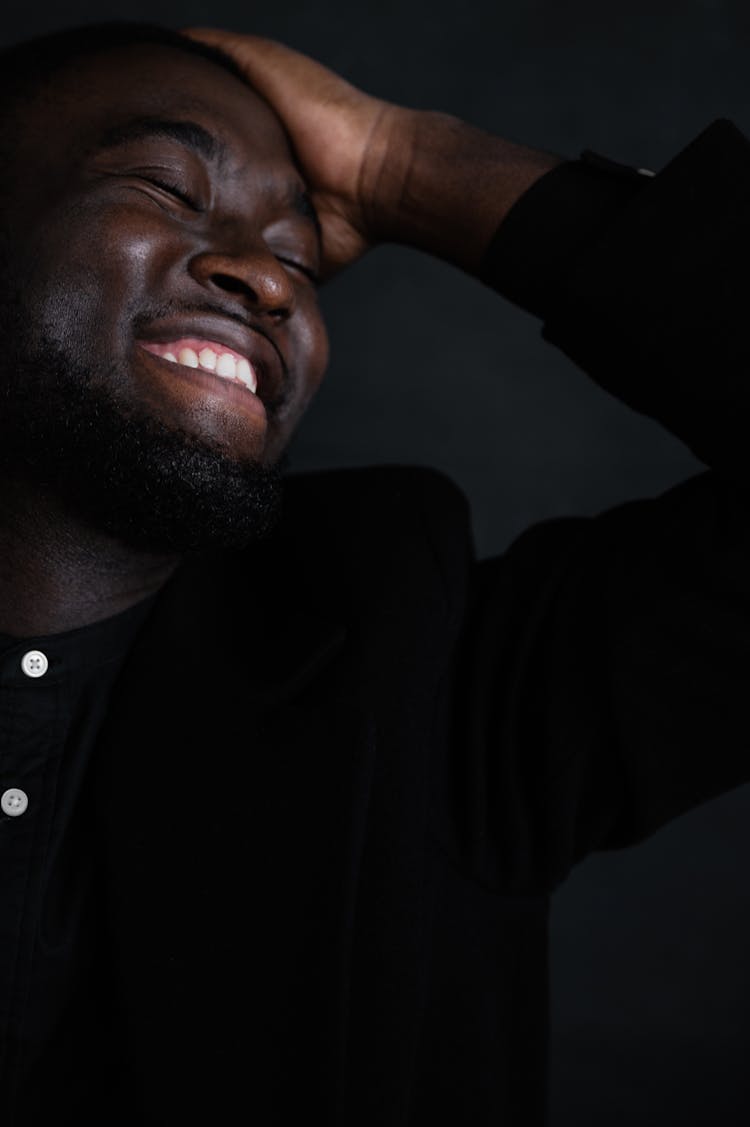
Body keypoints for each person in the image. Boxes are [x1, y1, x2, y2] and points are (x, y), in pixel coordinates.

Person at [0, 19, 747, 1126]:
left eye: (301, 258)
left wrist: (406, 166)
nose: (264, 277)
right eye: (164, 186)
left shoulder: (423, 689)